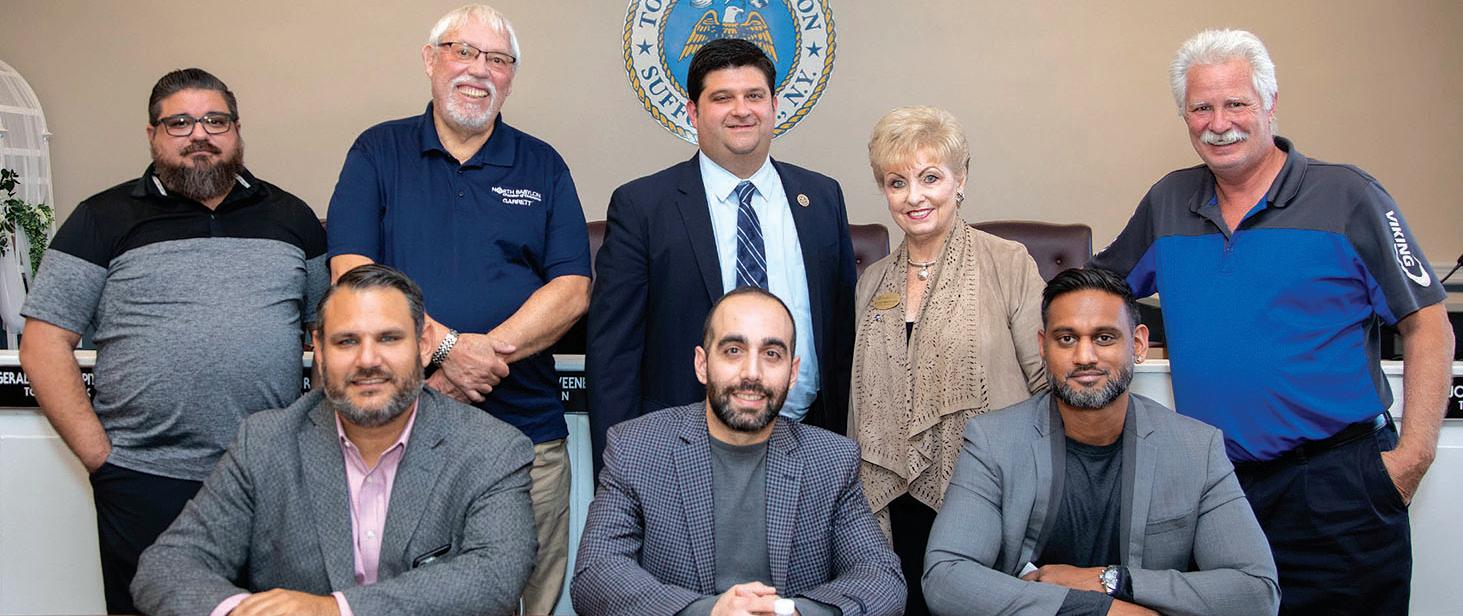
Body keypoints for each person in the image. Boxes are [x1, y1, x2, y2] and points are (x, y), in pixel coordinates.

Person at [1090, 29, 1453, 614]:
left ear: (1270, 103)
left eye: (1236, 103)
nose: (1219, 123)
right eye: (1201, 108)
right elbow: (1095, 291)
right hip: (1219, 489)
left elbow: (1428, 321)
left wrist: (1412, 459)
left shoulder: (1348, 196)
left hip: (1337, 484)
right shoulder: (1168, 202)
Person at [17, 68, 328, 614]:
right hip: (143, 478)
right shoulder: (101, 218)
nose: (199, 134)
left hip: (267, 476)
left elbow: (330, 336)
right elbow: (43, 343)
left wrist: (314, 447)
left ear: (237, 130)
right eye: (179, 122)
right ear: (153, 134)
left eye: (215, 121)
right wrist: (102, 460)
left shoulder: (293, 218)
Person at [324, 5, 590, 611]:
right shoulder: (377, 151)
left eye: (497, 59)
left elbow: (573, 288)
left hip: (527, 438)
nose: (479, 70)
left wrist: (479, 357)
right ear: (430, 60)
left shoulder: (543, 164)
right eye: (462, 51)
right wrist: (445, 347)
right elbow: (353, 275)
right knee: (406, 597)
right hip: (401, 431)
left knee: (530, 597)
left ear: (511, 77)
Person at [131, 264, 537, 616]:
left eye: (389, 338)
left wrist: (334, 609)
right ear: (320, 354)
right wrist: (244, 612)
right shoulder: (265, 442)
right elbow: (168, 565)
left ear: (424, 345)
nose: (368, 360)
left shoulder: (490, 449)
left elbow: (494, 576)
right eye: (347, 341)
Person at [923, 268, 1279, 616]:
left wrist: (1112, 580)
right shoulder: (993, 441)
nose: (1084, 357)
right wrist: (1103, 610)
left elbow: (1256, 591)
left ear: (1138, 344)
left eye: (1104, 338)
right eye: (1066, 339)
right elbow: (945, 578)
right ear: (1043, 346)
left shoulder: (1197, 449)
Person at [587, 38, 857, 473]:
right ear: (693, 112)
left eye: (754, 96)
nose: (742, 110)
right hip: (682, 450)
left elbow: (843, 336)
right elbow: (613, 355)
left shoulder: (822, 198)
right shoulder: (643, 207)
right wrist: (620, 470)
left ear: (774, 106)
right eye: (722, 98)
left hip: (810, 441)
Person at [572, 287, 905, 616]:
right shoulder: (636, 447)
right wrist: (708, 612)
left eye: (771, 354)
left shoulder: (832, 460)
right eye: (733, 350)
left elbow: (882, 578)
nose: (752, 373)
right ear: (702, 364)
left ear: (792, 373)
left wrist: (794, 612)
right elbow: (596, 573)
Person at [851, 105, 1047, 615]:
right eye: (897, 183)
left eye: (930, 178)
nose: (914, 197)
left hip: (989, 493)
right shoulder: (871, 282)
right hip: (894, 497)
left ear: (960, 180)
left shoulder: (1007, 262)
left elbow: (1048, 383)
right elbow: (860, 403)